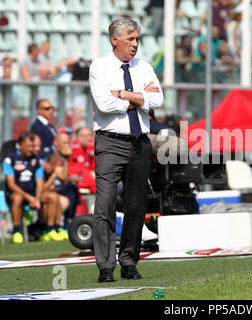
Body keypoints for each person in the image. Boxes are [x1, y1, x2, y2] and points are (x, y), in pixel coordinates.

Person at [89, 16, 164, 283]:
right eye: (130, 39)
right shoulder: (99, 67)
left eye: (137, 39)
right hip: (109, 142)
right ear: (115, 39)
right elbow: (103, 105)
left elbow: (158, 98)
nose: (135, 44)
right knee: (105, 204)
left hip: (139, 142)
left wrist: (124, 94)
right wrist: (139, 99)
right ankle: (106, 266)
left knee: (136, 205)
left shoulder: (143, 66)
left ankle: (129, 261)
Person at [2, 132, 44, 243]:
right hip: (14, 193)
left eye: (32, 146)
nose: (31, 149)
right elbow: (11, 184)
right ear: (20, 145)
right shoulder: (10, 159)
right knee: (17, 198)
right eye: (28, 146)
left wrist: (37, 198)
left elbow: (40, 181)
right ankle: (16, 231)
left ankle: (47, 229)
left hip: (33, 194)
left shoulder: (36, 159)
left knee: (52, 197)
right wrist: (30, 198)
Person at [68, 127, 96, 194]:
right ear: (79, 137)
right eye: (86, 136)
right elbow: (76, 172)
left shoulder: (86, 149)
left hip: (87, 180)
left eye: (90, 136)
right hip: (77, 181)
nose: (90, 138)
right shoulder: (74, 149)